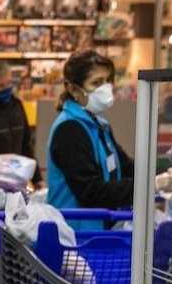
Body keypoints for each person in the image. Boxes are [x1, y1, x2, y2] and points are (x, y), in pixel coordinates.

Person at [46, 50, 135, 212]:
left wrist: (159, 175)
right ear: (74, 90)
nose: (106, 88)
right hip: (76, 231)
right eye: (96, 83)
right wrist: (147, 186)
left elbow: (126, 167)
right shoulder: (69, 130)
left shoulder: (99, 125)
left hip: (101, 229)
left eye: (108, 81)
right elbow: (90, 192)